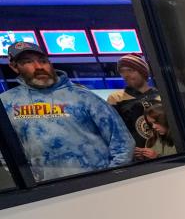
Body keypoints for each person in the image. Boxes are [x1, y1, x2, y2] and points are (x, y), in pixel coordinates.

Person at [0, 40, 134, 181]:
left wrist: (110, 180)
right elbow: (5, 152)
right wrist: (29, 180)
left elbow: (123, 143)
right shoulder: (6, 103)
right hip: (46, 191)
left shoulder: (82, 96)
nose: (39, 67)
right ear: (15, 67)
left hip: (97, 185)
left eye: (43, 61)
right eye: (28, 62)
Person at [106, 53, 162, 152]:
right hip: (135, 155)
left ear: (143, 72)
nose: (126, 75)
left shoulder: (160, 96)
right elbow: (113, 131)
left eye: (130, 70)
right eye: (122, 71)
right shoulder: (116, 98)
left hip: (165, 152)